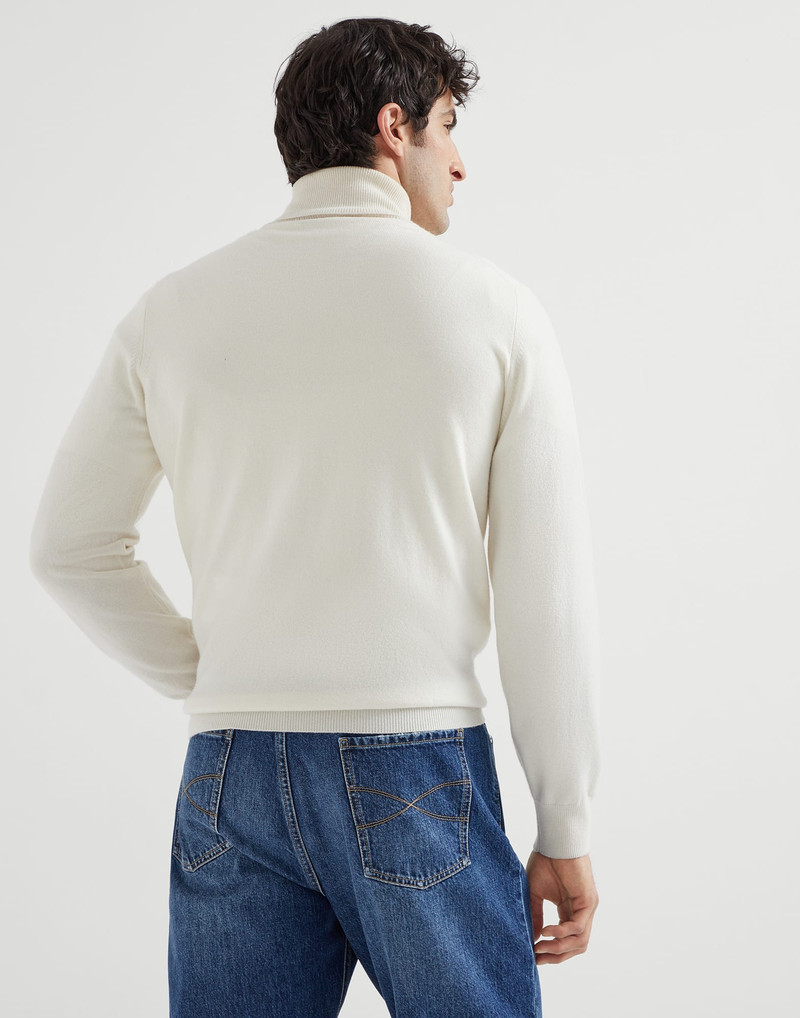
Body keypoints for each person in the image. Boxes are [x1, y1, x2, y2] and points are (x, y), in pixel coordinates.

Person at [29, 16, 601, 1018]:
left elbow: (69, 547)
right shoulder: (494, 311)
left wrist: (213, 674)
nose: (459, 164)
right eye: (446, 127)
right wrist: (565, 822)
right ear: (394, 127)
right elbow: (542, 596)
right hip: (415, 768)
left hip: (231, 768)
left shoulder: (172, 311)